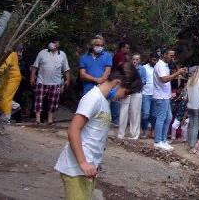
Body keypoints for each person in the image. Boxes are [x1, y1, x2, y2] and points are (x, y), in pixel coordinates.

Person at [55, 63, 143, 200]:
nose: (125, 97)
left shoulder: (104, 101)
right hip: (76, 168)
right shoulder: (93, 98)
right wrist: (83, 162)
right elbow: (73, 130)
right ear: (117, 83)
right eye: (126, 93)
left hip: (87, 169)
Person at [30, 38, 71, 126]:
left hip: (56, 82)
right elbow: (35, 66)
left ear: (58, 44)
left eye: (55, 42)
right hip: (41, 81)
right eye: (52, 42)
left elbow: (66, 69)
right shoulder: (42, 52)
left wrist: (68, 80)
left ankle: (50, 120)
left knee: (53, 102)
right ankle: (37, 119)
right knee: (38, 100)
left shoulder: (62, 55)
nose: (53, 44)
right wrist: (32, 77)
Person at [151, 49, 186, 150]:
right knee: (161, 118)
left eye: (173, 56)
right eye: (171, 56)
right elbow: (164, 79)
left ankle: (163, 140)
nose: (172, 58)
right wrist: (177, 73)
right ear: (165, 55)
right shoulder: (160, 65)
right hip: (160, 96)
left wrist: (179, 74)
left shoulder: (165, 65)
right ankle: (158, 141)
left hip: (166, 96)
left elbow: (169, 78)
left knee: (169, 118)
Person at [0, 44, 23, 133]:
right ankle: (15, 106)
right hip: (5, 78)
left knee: (5, 98)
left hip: (13, 78)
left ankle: (5, 122)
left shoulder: (11, 53)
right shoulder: (9, 53)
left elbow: (4, 66)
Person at [117, 55, 145, 139]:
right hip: (126, 92)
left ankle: (134, 134)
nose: (135, 61)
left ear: (139, 60)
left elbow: (143, 81)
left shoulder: (142, 69)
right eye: (133, 59)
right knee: (123, 112)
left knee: (135, 113)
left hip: (136, 92)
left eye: (137, 59)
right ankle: (120, 134)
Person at [139, 51, 155, 138]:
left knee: (153, 114)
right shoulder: (144, 67)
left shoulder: (158, 68)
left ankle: (152, 132)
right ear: (149, 59)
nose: (154, 62)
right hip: (146, 93)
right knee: (146, 113)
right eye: (153, 60)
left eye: (156, 60)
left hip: (156, 94)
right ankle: (144, 131)